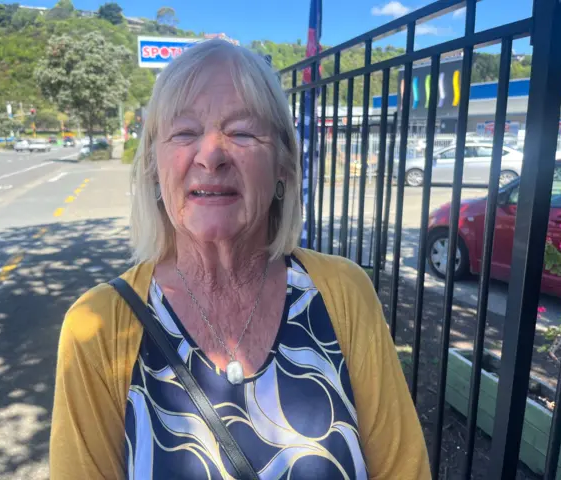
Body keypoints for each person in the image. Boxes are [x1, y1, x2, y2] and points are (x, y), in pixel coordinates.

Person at [50, 39, 431, 479]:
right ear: (154, 167)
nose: (210, 155)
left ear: (284, 164)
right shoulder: (98, 327)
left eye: (242, 132)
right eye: (184, 132)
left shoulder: (343, 293)